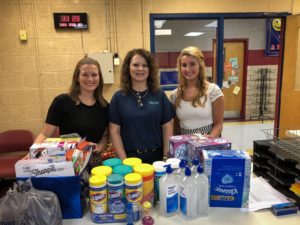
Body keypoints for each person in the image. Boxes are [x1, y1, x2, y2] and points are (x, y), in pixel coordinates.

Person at [109, 48, 175, 164]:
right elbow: (114, 131)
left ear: (150, 69)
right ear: (128, 68)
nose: (140, 69)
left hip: (157, 159)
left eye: (145, 65)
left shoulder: (159, 95)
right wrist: (124, 161)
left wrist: (166, 157)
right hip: (129, 159)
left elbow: (167, 127)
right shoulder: (118, 97)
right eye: (135, 65)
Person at [34, 56, 109, 153]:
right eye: (85, 75)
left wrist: (100, 146)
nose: (90, 79)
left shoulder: (104, 106)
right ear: (77, 78)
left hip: (94, 162)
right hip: (68, 162)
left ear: (99, 77)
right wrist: (32, 154)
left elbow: (105, 135)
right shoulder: (62, 102)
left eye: (94, 75)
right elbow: (45, 134)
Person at [170, 46, 224, 138]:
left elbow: (218, 124)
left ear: (200, 65)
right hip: (185, 146)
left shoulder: (213, 91)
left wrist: (207, 141)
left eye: (192, 64)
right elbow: (176, 126)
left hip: (208, 145)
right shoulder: (175, 95)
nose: (188, 69)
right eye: (184, 65)